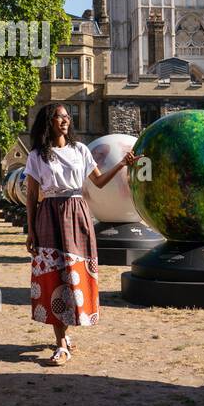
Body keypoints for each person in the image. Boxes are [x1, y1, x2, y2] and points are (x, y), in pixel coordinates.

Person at [23, 102, 135, 365]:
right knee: (53, 276)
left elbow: (98, 181)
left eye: (67, 117)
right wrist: (30, 230)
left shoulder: (80, 150)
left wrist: (121, 164)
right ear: (48, 121)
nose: (65, 121)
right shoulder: (37, 155)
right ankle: (61, 343)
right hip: (48, 214)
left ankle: (66, 331)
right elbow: (30, 195)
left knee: (74, 274)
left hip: (77, 213)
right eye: (59, 117)